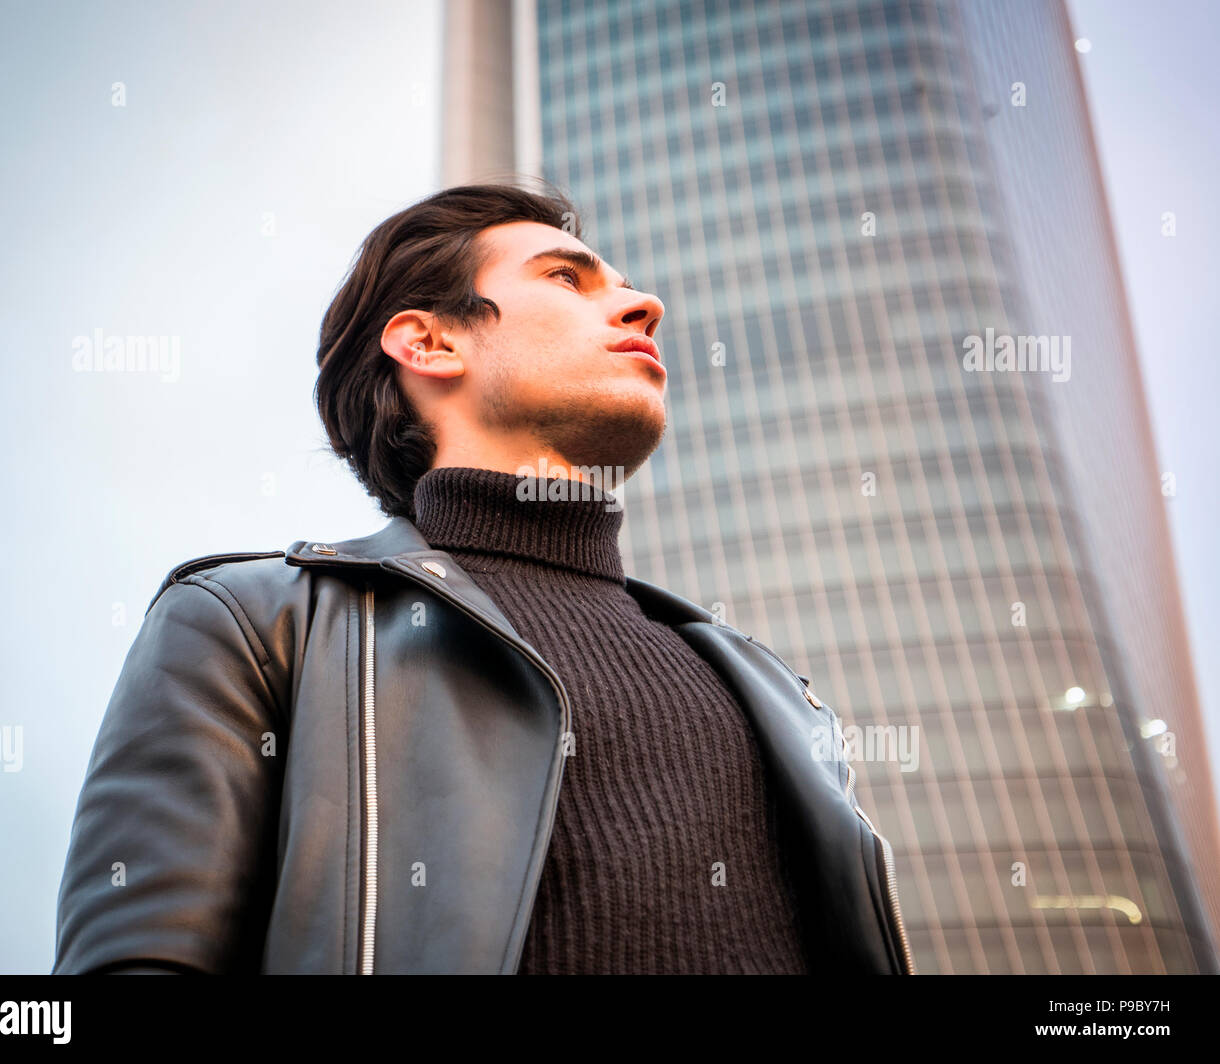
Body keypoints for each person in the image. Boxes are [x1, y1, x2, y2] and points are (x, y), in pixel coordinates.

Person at [52, 181, 913, 975]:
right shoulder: (252, 625)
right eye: (568, 278)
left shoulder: (770, 689)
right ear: (427, 343)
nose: (646, 304)